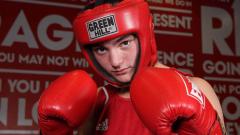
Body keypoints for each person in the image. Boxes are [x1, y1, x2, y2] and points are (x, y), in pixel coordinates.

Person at [38, 0, 227, 135]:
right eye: (101, 49)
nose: (115, 61)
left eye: (124, 43)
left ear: (146, 34)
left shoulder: (194, 88)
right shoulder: (97, 101)